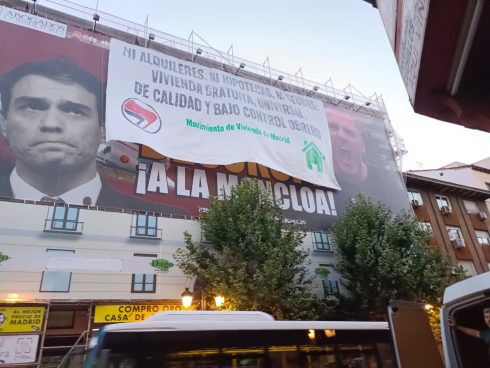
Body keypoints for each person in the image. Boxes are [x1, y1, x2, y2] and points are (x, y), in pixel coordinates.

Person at [0, 58, 188, 215]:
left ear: (103, 129)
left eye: (74, 111)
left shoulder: (164, 216)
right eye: (32, 107)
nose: (51, 124)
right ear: (4, 123)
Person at [325, 106, 368, 187]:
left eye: (349, 132)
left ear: (363, 145)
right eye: (333, 127)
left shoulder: (385, 185)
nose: (341, 136)